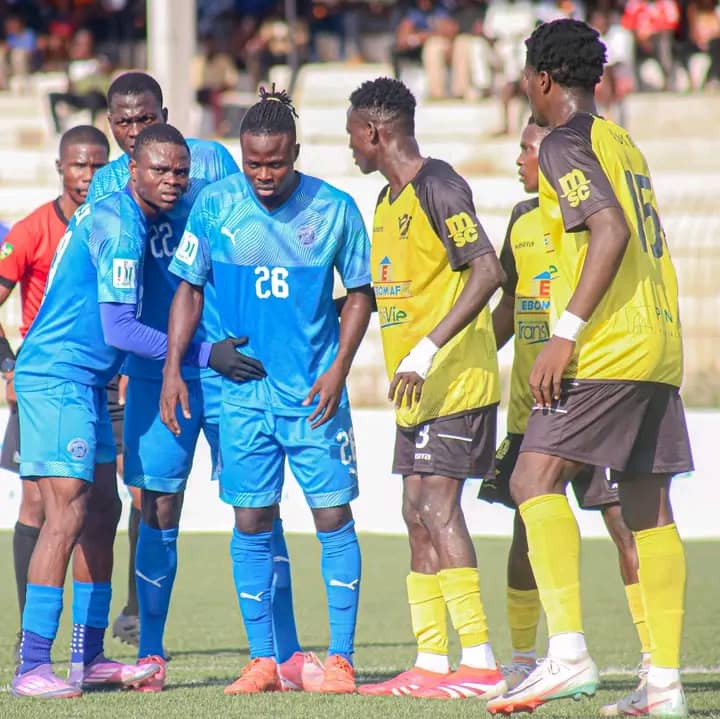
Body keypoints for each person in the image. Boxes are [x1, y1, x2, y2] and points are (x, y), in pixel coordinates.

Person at [486, 19, 692, 717]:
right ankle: (663, 685)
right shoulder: (622, 142)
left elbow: (611, 229)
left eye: (525, 76)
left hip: (607, 347)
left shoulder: (563, 141)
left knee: (531, 478)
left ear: (542, 79)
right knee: (648, 508)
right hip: (658, 342)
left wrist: (564, 334)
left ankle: (568, 653)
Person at [11, 123, 249, 699]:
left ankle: (88, 656)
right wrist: (203, 354)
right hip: (58, 377)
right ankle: (32, 665)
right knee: (65, 513)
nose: (172, 181)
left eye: (180, 172)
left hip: (88, 382)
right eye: (159, 170)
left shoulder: (123, 216)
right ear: (133, 169)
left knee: (102, 512)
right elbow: (119, 328)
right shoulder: (120, 225)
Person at [161, 86, 372, 695]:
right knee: (251, 518)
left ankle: (341, 659)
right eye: (253, 163)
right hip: (242, 396)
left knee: (332, 515)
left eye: (275, 163)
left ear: (295, 153)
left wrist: (339, 368)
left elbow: (361, 292)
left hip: (312, 395)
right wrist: (175, 369)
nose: (263, 175)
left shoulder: (334, 209)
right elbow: (188, 288)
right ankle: (264, 661)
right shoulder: (215, 206)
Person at [346, 77, 506, 700]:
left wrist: (427, 348)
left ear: (375, 132)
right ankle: (432, 661)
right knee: (414, 513)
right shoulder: (386, 202)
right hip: (417, 394)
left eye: (354, 134)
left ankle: (481, 661)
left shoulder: (440, 186)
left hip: (456, 382)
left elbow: (488, 271)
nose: (350, 146)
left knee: (439, 509)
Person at [479, 118, 649, 692]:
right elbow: (510, 302)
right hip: (531, 408)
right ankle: (525, 657)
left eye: (527, 149)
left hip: (589, 391)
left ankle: (652, 656)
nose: (520, 159)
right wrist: (472, 355)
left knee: (625, 525)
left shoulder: (592, 216)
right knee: (525, 531)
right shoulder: (521, 219)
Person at [85, 70, 239, 651]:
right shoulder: (108, 188)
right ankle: (148, 641)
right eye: (123, 122)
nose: (134, 130)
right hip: (154, 366)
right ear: (110, 125)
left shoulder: (213, 162)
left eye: (145, 118)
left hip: (226, 361)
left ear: (165, 114)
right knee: (156, 501)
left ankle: (275, 651)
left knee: (255, 504)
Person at [0, 125, 109, 661]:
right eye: (78, 165)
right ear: (60, 167)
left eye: (97, 166)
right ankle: (33, 638)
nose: (87, 175)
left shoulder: (110, 224)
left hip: (100, 378)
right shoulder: (32, 230)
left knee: (102, 504)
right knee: (39, 502)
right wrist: (8, 365)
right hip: (48, 381)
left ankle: (95, 643)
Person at [47, 28, 112, 134]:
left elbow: (106, 76)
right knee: (53, 96)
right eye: (80, 44)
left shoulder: (100, 60)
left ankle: (92, 130)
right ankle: (58, 130)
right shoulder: (73, 65)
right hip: (80, 97)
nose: (83, 47)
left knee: (93, 96)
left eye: (86, 44)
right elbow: (70, 88)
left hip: (96, 98)